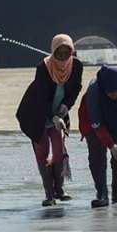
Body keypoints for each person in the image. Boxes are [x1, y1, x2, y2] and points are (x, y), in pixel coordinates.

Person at [16, 34, 83, 206]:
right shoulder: (44, 68)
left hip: (58, 114)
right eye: (59, 53)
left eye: (66, 53)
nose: (62, 57)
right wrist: (52, 117)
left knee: (59, 151)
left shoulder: (76, 66)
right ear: (53, 52)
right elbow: (41, 98)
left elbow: (76, 89)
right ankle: (49, 194)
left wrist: (66, 107)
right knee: (43, 152)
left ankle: (59, 189)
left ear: (71, 52)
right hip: (37, 115)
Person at [78, 65, 117, 208]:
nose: (115, 95)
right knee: (97, 156)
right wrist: (112, 147)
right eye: (111, 93)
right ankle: (102, 194)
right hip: (92, 121)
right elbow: (96, 122)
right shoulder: (94, 90)